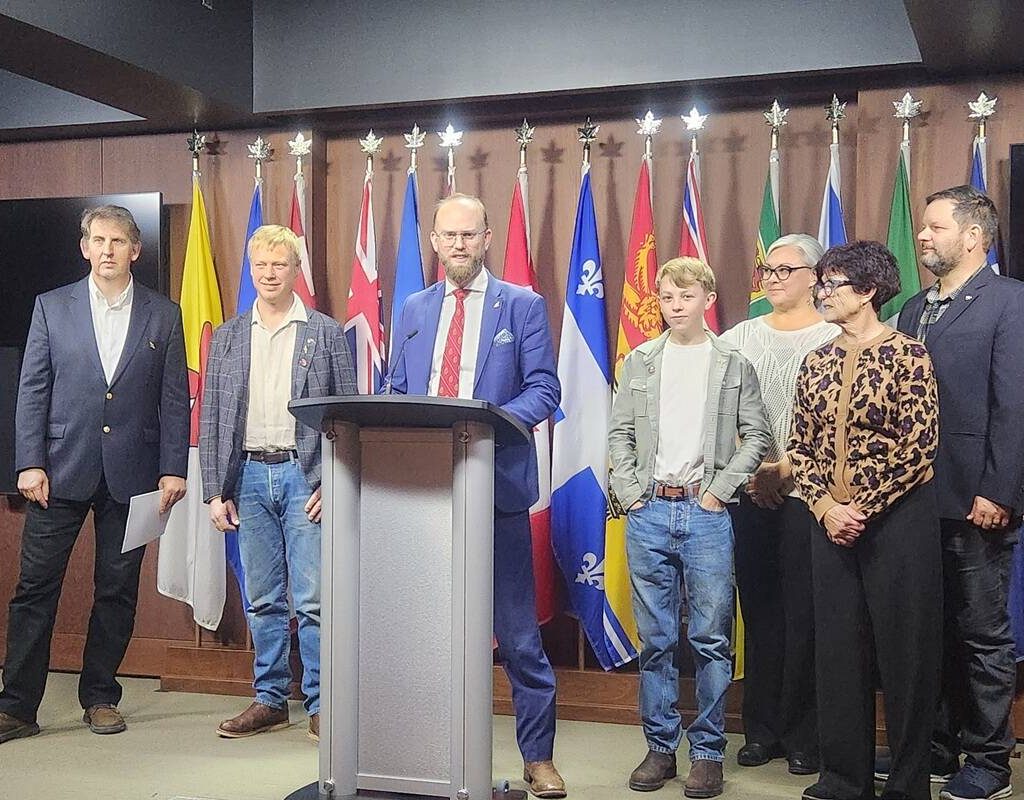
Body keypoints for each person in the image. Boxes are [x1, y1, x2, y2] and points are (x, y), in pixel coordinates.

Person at [387, 194, 565, 799]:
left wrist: (486, 426)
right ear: (434, 242)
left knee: (517, 637)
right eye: (449, 235)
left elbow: (544, 390)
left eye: (469, 235)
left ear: (487, 239)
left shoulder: (523, 305)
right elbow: (395, 387)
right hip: (422, 492)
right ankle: (425, 754)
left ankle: (538, 758)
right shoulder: (413, 307)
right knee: (424, 634)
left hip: (496, 489)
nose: (459, 244)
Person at [0, 205, 189, 743]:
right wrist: (29, 461)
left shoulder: (163, 314)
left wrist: (172, 468)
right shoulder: (51, 306)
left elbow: (174, 398)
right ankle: (17, 707)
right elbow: (32, 388)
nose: (107, 250)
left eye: (118, 241)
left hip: (134, 475)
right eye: (98, 240)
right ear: (84, 248)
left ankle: (101, 697)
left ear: (135, 250)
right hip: (57, 472)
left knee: (117, 590)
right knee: (35, 589)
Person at [608, 257, 771, 799]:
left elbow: (756, 435)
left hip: (705, 514)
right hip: (650, 509)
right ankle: (660, 747)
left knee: (709, 636)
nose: (675, 307)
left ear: (707, 299)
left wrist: (719, 489)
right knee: (656, 638)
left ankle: (707, 753)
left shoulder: (732, 363)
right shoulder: (641, 361)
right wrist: (632, 493)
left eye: (686, 296)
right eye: (667, 297)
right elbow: (620, 433)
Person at [789, 240, 941, 800]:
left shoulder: (909, 355)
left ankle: (907, 783)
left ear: (869, 291)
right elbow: (799, 445)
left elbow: (919, 445)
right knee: (838, 650)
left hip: (898, 522)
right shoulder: (816, 360)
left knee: (906, 655)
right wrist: (827, 508)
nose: (821, 293)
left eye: (832, 284)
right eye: (821, 284)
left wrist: (862, 508)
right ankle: (843, 777)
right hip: (829, 522)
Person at [199, 224, 356, 743]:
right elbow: (211, 416)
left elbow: (347, 415)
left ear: (295, 270)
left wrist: (336, 481)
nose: (269, 274)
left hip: (305, 477)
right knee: (263, 598)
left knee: (312, 601)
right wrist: (214, 491)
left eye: (280, 265)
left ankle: (321, 703)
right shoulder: (228, 336)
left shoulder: (325, 333)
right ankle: (269, 699)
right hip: (246, 477)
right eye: (261, 265)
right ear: (251, 269)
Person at [894, 186, 1024, 800]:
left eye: (935, 226)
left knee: (982, 636)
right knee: (932, 632)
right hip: (916, 503)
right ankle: (938, 747)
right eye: (921, 226)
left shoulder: (1010, 301)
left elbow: (1014, 406)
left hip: (978, 502)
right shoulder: (913, 307)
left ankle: (990, 761)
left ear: (973, 236)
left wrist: (998, 490)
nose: (922, 235)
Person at [719, 234, 838, 776]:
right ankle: (760, 730)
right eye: (767, 268)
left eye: (785, 269)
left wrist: (787, 469)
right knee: (759, 612)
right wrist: (752, 473)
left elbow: (838, 422)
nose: (771, 277)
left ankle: (804, 734)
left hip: (811, 496)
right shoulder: (741, 336)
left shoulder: (833, 334)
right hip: (750, 491)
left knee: (806, 615)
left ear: (815, 277)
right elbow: (720, 409)